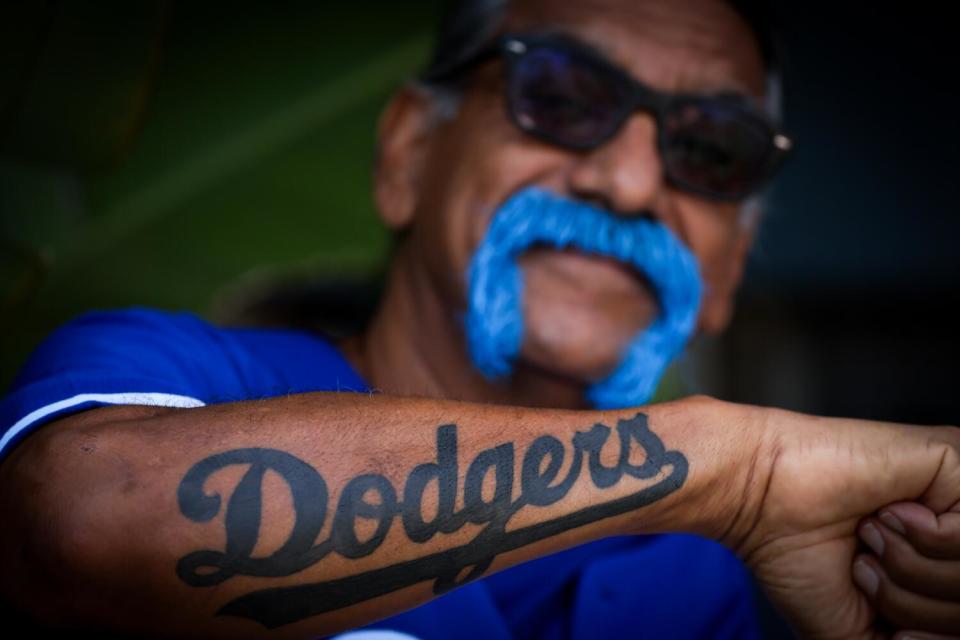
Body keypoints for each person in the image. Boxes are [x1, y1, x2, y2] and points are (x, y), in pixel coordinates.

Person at [1, 0, 958, 638]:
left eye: (711, 149)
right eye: (564, 96)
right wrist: (736, 471)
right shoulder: (169, 376)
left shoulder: (704, 590)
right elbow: (80, 524)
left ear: (727, 268)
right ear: (408, 154)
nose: (627, 182)